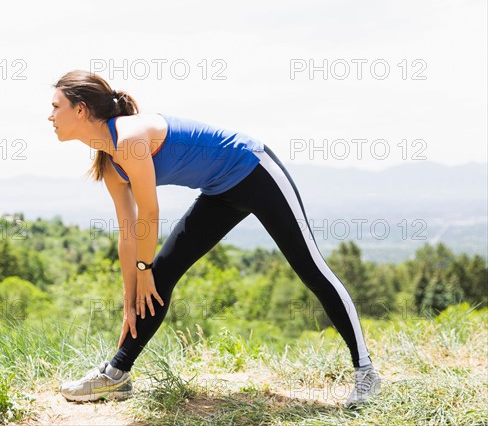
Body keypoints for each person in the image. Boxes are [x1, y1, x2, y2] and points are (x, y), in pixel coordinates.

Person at [50, 70, 381, 407]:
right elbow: (129, 233)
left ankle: (366, 371)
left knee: (310, 267)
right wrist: (130, 296)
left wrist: (143, 268)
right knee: (160, 275)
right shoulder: (109, 166)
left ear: (80, 110)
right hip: (219, 193)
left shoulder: (130, 138)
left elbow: (150, 213)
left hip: (254, 170)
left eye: (56, 106)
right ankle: (116, 375)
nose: (50, 116)